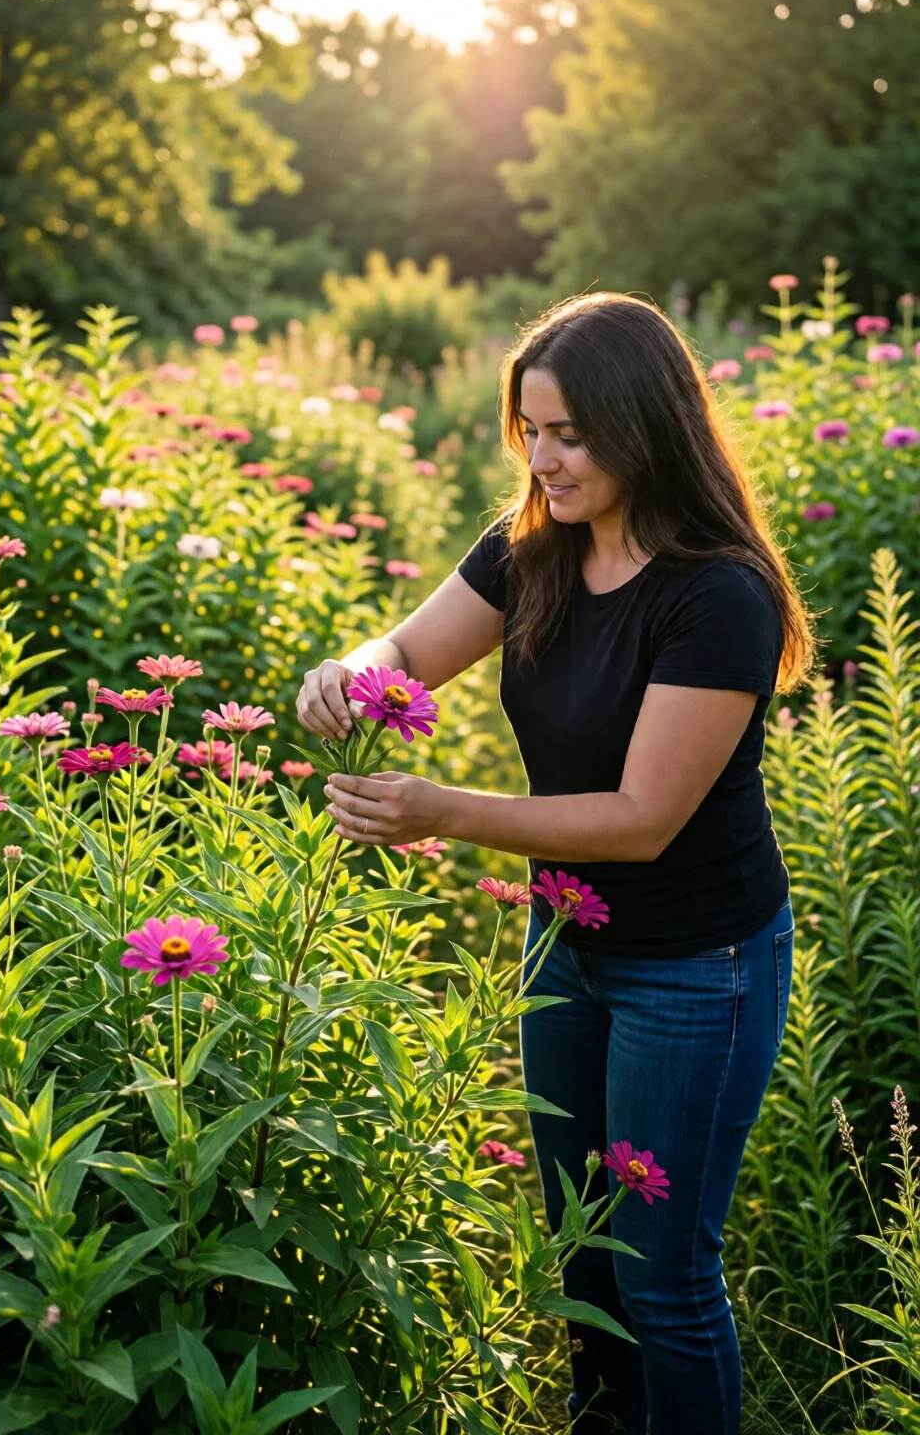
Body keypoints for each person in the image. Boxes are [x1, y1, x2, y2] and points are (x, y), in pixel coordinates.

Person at [295, 291, 813, 1434]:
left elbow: (640, 820)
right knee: (582, 1263)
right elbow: (408, 649)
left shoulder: (716, 592)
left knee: (661, 1277)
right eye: (529, 429)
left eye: (570, 433)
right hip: (566, 948)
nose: (543, 457)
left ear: (645, 426)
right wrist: (351, 664)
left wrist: (441, 810)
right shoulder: (530, 546)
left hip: (696, 969)